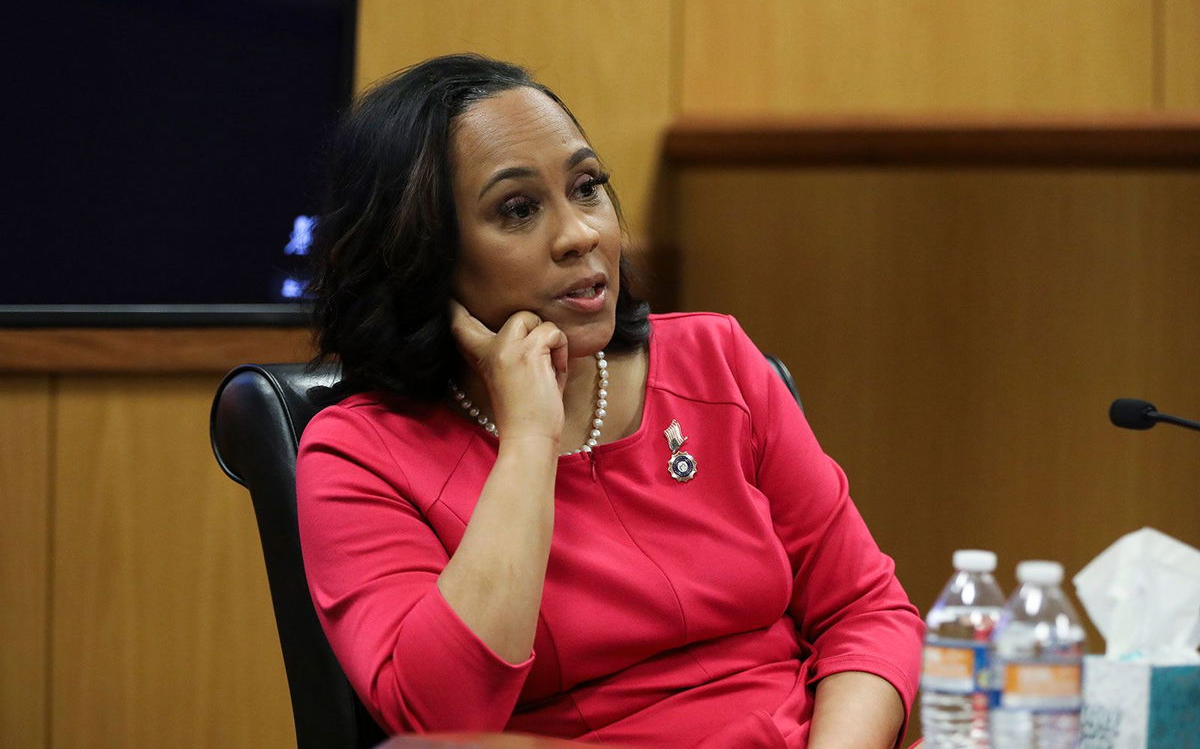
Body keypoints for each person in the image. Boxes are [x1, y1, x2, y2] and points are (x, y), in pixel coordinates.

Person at [297, 54, 924, 748]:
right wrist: (529, 438)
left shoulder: (715, 361)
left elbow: (865, 612)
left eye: (587, 188)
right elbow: (442, 721)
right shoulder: (356, 455)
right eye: (518, 209)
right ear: (421, 252)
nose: (581, 234)